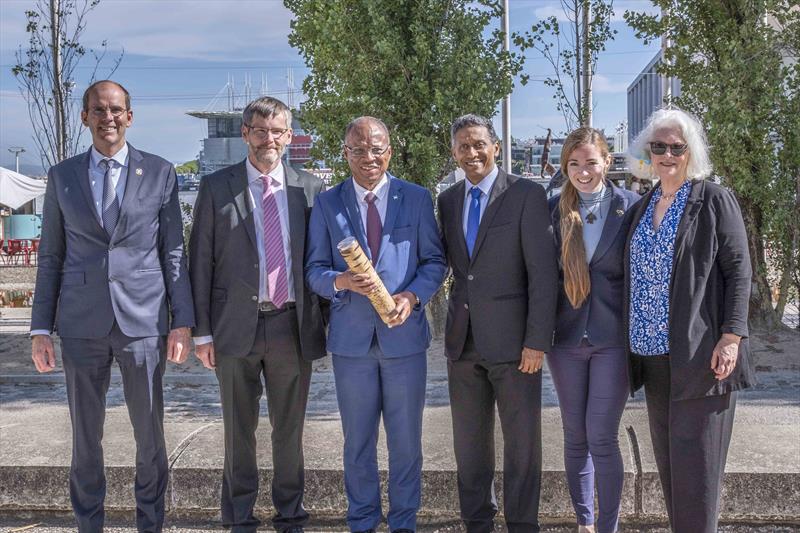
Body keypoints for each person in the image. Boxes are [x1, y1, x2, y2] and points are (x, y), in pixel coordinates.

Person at [30, 80, 195, 532]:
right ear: (85, 117)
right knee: (86, 440)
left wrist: (183, 322)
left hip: (143, 323)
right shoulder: (62, 176)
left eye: (117, 110)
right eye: (99, 110)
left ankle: (150, 523)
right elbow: (51, 256)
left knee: (150, 436)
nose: (109, 118)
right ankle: (89, 524)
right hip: (81, 325)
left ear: (130, 116)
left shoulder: (160, 172)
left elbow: (173, 252)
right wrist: (40, 328)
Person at [188, 96, 327, 533]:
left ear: (289, 136)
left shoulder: (310, 188)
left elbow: (317, 262)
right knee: (238, 432)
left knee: (289, 433)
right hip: (233, 329)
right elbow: (199, 264)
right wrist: (201, 333)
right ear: (246, 133)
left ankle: (291, 513)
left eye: (279, 131)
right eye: (261, 130)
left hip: (291, 326)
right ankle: (239, 515)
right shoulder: (215, 188)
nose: (270, 139)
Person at [305, 116, 446, 533]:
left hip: (404, 340)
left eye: (377, 148)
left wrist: (412, 295)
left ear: (390, 151)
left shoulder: (417, 198)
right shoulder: (327, 203)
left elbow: (435, 261)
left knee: (406, 445)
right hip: (351, 345)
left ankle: (404, 523)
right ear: (346, 153)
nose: (370, 157)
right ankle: (362, 522)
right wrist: (341, 281)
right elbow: (313, 269)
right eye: (360, 150)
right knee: (357, 444)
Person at [624, 107, 756, 533]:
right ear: (647, 152)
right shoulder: (643, 206)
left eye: (675, 147)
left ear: (690, 151)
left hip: (702, 360)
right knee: (671, 474)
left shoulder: (713, 199)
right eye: (657, 146)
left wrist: (732, 337)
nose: (666, 154)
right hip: (653, 361)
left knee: (697, 477)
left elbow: (740, 271)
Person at [436, 114, 558, 533]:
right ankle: (477, 523)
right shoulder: (448, 200)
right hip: (462, 343)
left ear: (495, 147)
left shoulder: (525, 193)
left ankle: (522, 524)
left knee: (522, 446)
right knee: (469, 447)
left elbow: (543, 273)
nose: (472, 153)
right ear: (453, 152)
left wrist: (537, 340)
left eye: (478, 144)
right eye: (463, 146)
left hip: (516, 345)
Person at [547, 127, 640, 533]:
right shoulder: (552, 209)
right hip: (565, 340)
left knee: (601, 435)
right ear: (566, 166)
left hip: (612, 340)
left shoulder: (632, 206)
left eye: (590, 162)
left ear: (607, 160)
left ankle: (608, 526)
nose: (583, 171)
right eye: (574, 164)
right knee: (575, 436)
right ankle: (584, 522)